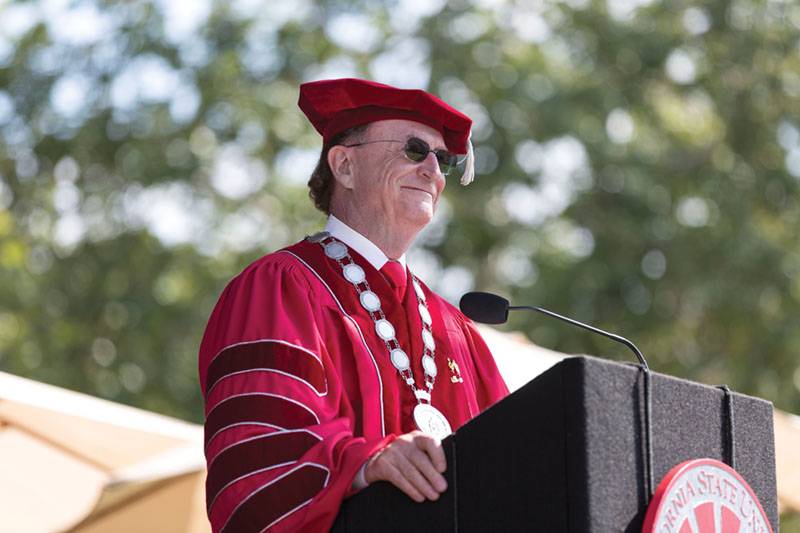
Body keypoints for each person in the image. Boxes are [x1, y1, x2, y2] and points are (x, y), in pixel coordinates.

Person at [198, 78, 509, 532]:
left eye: (442, 160)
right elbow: (260, 457)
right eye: (414, 150)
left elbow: (514, 465)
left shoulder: (457, 330)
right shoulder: (282, 288)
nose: (434, 172)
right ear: (344, 166)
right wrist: (366, 464)